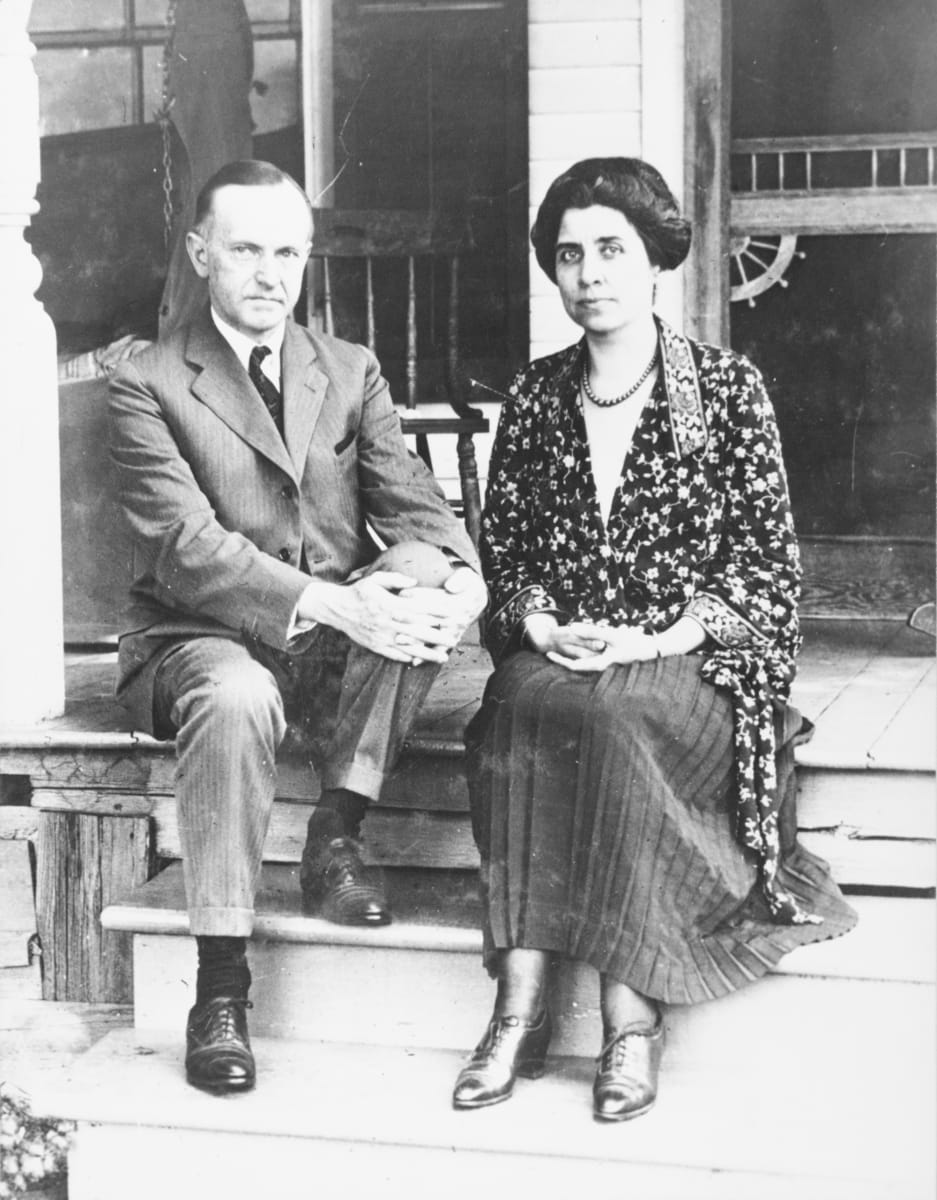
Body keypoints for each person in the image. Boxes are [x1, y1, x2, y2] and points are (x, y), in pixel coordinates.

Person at [452, 157, 857, 1122]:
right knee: (517, 700)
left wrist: (658, 636)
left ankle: (630, 1014)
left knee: (622, 715)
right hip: (569, 652)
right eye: (568, 255)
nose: (588, 273)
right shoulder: (539, 397)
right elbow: (506, 557)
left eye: (609, 250)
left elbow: (765, 568)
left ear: (654, 262)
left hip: (695, 661)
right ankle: (519, 1005)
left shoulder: (723, 389)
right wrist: (543, 621)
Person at [108, 159, 486, 1095]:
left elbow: (420, 512)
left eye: (287, 251)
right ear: (201, 255)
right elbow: (188, 549)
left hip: (331, 636)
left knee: (420, 586)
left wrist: (462, 586)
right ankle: (222, 989)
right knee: (238, 695)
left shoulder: (348, 368)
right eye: (244, 250)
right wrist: (337, 602)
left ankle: (336, 833)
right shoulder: (146, 381)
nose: (269, 273)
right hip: (202, 636)